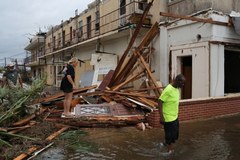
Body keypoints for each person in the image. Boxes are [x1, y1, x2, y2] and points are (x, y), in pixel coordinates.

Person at [158, 74, 186, 155]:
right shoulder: (168, 89)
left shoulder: (176, 88)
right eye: (182, 83)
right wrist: (161, 117)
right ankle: (169, 152)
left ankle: (165, 144)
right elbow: (160, 101)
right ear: (178, 81)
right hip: (168, 118)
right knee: (170, 136)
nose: (183, 85)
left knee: (175, 135)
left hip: (175, 117)